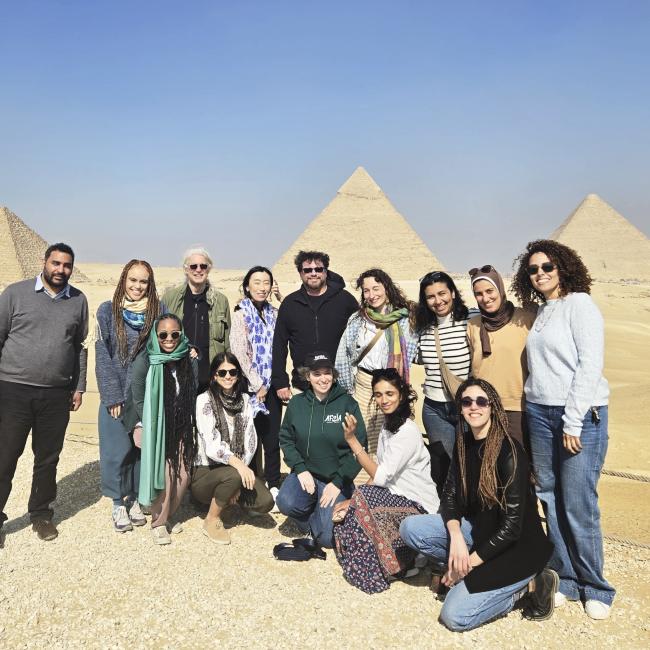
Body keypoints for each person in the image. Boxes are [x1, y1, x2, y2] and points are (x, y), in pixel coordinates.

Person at [400, 378, 556, 632]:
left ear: (492, 406)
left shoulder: (509, 453)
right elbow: (449, 496)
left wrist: (465, 567)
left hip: (516, 550)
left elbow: (511, 529)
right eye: (466, 401)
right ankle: (463, 567)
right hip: (479, 533)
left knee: (454, 616)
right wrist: (456, 537)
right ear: (460, 408)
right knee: (410, 528)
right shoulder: (463, 443)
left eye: (481, 401)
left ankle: (530, 587)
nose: (474, 407)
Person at [512, 239, 615, 620]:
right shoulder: (542, 311)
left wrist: (572, 419)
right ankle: (566, 579)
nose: (540, 274)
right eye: (533, 269)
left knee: (578, 502)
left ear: (563, 268)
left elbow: (590, 365)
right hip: (539, 412)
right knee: (549, 497)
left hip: (578, 417)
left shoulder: (580, 305)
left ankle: (596, 586)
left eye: (547, 267)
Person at [0, 242, 88, 544]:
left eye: (66, 265)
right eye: (56, 263)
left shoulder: (78, 301)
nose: (60, 270)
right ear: (44, 262)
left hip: (56, 393)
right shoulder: (15, 293)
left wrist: (78, 386)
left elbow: (79, 347)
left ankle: (41, 514)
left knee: (48, 458)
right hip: (12, 389)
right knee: (5, 455)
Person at [332, 368, 439, 593]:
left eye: (389, 393)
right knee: (349, 511)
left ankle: (396, 563)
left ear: (401, 393)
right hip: (395, 498)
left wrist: (352, 441)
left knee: (362, 498)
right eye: (378, 394)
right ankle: (391, 561)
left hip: (418, 505)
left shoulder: (407, 432)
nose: (383, 400)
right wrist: (351, 500)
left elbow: (381, 476)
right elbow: (380, 478)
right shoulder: (387, 427)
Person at [96, 259, 164, 532]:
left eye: (143, 281)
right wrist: (112, 395)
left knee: (138, 451)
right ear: (124, 280)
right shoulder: (107, 311)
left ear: (150, 284)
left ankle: (135, 497)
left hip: (146, 395)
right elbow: (102, 353)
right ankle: (116, 502)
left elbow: (171, 340)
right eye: (133, 280)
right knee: (115, 450)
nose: (137, 286)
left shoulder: (158, 311)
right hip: (117, 395)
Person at [275, 351, 367, 548]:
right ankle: (315, 514)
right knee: (285, 502)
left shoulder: (347, 403)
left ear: (334, 375)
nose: (323, 379)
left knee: (327, 540)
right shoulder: (297, 404)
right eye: (317, 374)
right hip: (307, 475)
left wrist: (338, 481)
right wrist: (300, 468)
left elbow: (360, 445)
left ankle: (326, 514)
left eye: (327, 373)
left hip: (335, 480)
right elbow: (286, 438)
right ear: (308, 376)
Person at [122, 314, 198, 545]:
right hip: (156, 427)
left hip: (182, 424)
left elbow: (193, 389)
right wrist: (152, 425)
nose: (169, 339)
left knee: (183, 472)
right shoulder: (146, 360)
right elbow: (138, 397)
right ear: (155, 335)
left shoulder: (189, 358)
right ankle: (158, 521)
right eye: (163, 334)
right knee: (163, 475)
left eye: (175, 334)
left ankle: (169, 514)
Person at [191, 353, 274, 545]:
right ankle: (212, 518)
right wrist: (239, 470)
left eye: (232, 372)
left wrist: (240, 470)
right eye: (222, 372)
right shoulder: (204, 400)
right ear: (214, 376)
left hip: (234, 468)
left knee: (266, 501)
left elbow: (250, 440)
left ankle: (226, 496)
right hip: (206, 472)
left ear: (238, 375)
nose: (227, 376)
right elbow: (212, 445)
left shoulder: (245, 400)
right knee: (235, 476)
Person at [335, 268, 416, 454]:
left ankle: (388, 480)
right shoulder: (357, 319)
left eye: (376, 288)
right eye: (366, 290)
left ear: (387, 288)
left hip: (394, 386)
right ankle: (366, 481)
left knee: (393, 437)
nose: (372, 295)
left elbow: (415, 350)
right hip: (364, 385)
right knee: (363, 437)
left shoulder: (406, 319)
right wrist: (348, 389)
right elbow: (343, 356)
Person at [414, 271, 476, 495]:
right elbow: (410, 355)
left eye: (442, 293)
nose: (438, 301)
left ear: (452, 292)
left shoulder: (471, 321)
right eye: (431, 296)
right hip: (434, 408)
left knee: (471, 464)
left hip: (467, 406)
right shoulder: (422, 329)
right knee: (447, 469)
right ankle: (451, 517)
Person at [271, 250, 358, 399]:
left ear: (325, 272)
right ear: (300, 273)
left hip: (340, 383)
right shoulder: (290, 304)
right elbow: (279, 345)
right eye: (307, 270)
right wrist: (280, 381)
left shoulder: (345, 300)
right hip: (303, 384)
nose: (313, 273)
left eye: (318, 269)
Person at [466, 265, 535, 448]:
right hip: (483, 408)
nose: (485, 298)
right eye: (478, 294)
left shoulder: (526, 320)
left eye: (490, 291)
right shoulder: (473, 325)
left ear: (500, 288)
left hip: (518, 409)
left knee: (518, 470)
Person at [230, 266, 282, 502]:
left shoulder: (274, 313)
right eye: (257, 282)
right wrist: (256, 384)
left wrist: (281, 298)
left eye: (266, 283)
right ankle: (250, 486)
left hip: (271, 384)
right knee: (250, 438)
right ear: (247, 286)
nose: (262, 287)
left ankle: (272, 482)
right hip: (249, 387)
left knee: (272, 437)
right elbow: (239, 352)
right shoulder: (241, 313)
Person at [162, 247, 231, 393]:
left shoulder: (220, 301)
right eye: (193, 266)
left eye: (203, 266)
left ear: (209, 269)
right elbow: (159, 336)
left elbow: (227, 342)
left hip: (211, 378)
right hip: (177, 376)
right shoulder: (171, 299)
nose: (198, 270)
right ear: (186, 269)